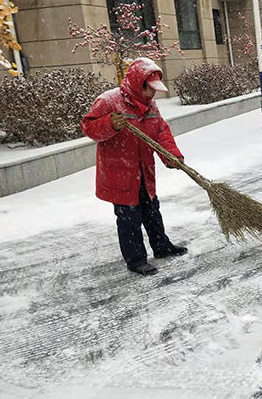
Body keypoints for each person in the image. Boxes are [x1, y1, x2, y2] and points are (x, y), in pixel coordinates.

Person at [81, 58, 188, 276]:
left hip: (143, 171)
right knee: (129, 220)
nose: (153, 94)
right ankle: (136, 260)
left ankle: (161, 247)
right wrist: (109, 124)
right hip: (119, 174)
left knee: (151, 211)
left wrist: (172, 156)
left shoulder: (151, 105)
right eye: (151, 89)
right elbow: (88, 127)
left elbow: (161, 132)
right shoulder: (109, 101)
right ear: (140, 83)